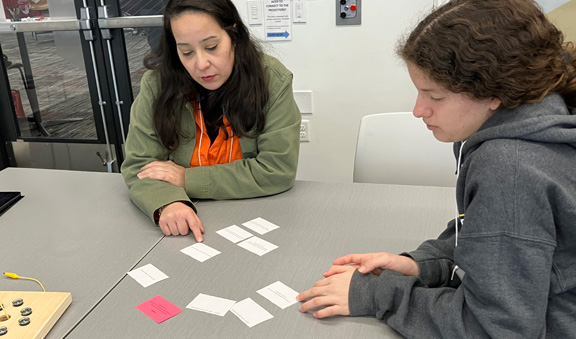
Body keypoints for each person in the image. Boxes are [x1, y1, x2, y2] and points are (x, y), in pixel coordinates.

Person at [296, 0, 576, 337]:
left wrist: (375, 294)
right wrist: (423, 264)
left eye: (435, 96)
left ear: (494, 93)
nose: (418, 110)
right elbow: (488, 234)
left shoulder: (509, 168)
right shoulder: (529, 117)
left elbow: (493, 330)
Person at [121, 0, 301, 242]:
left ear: (234, 36)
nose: (201, 64)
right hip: (187, 217)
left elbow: (277, 170)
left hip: (257, 211)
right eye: (186, 52)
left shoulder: (272, 81)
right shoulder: (157, 85)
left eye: (212, 47)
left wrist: (186, 178)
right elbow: (140, 166)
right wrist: (168, 202)